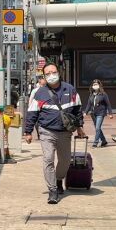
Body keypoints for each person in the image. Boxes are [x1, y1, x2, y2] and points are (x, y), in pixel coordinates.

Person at [24, 63, 85, 204]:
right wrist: (28, 131)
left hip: (65, 132)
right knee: (48, 159)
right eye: (48, 73)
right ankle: (52, 191)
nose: (52, 75)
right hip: (46, 131)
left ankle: (58, 180)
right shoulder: (40, 93)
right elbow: (32, 113)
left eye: (54, 72)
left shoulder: (70, 89)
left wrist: (80, 127)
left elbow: (77, 110)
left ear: (59, 72)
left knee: (64, 161)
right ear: (44, 77)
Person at [82, 79, 113, 148]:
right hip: (93, 114)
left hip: (101, 113)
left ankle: (95, 143)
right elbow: (88, 105)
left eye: (96, 84)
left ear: (99, 85)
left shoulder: (103, 94)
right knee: (98, 128)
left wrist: (110, 113)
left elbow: (108, 104)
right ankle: (104, 141)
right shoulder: (91, 94)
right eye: (94, 84)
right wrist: (85, 112)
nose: (95, 86)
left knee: (97, 128)